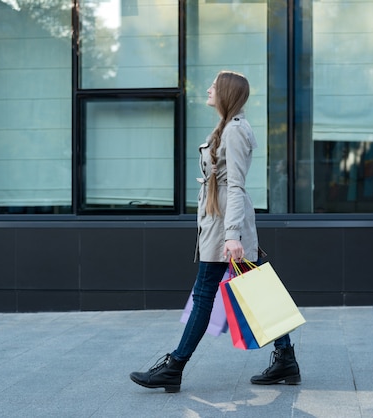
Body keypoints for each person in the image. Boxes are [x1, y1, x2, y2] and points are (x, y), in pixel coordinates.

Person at [129, 70, 301, 393]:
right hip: (220, 221)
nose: (208, 89)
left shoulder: (234, 132)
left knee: (205, 293)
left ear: (226, 94)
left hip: (226, 223)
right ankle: (286, 357)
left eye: (214, 86)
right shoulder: (225, 127)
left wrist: (233, 235)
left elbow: (235, 186)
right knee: (257, 289)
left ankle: (175, 366)